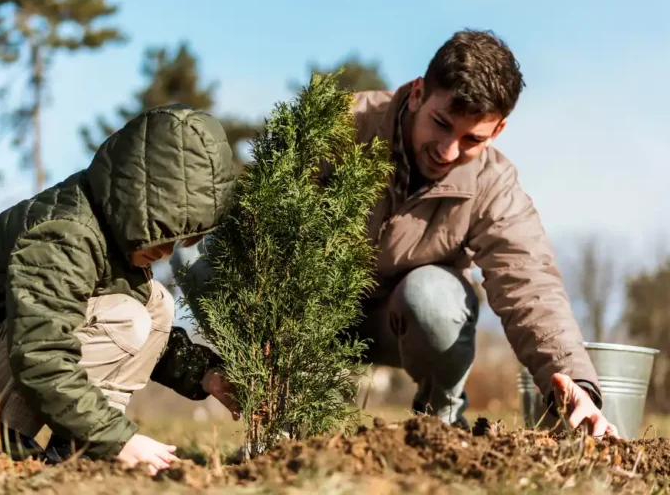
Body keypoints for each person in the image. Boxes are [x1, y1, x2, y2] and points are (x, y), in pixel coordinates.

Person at [178, 29, 619, 438]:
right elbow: (260, 218)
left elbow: (530, 282)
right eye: (442, 123)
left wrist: (575, 380)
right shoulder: (342, 126)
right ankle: (286, 415)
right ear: (417, 93)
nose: (449, 151)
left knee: (435, 294)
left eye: (472, 140)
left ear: (498, 130)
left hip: (403, 325)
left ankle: (441, 421)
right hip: (309, 316)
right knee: (196, 258)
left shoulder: (493, 185)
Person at [0, 105, 241, 474]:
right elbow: (41, 353)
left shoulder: (112, 233)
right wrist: (119, 438)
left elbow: (149, 341)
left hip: (10, 347)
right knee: (126, 318)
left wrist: (204, 373)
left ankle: (75, 455)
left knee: (156, 307)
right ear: (138, 199)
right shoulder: (66, 234)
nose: (168, 251)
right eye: (164, 232)